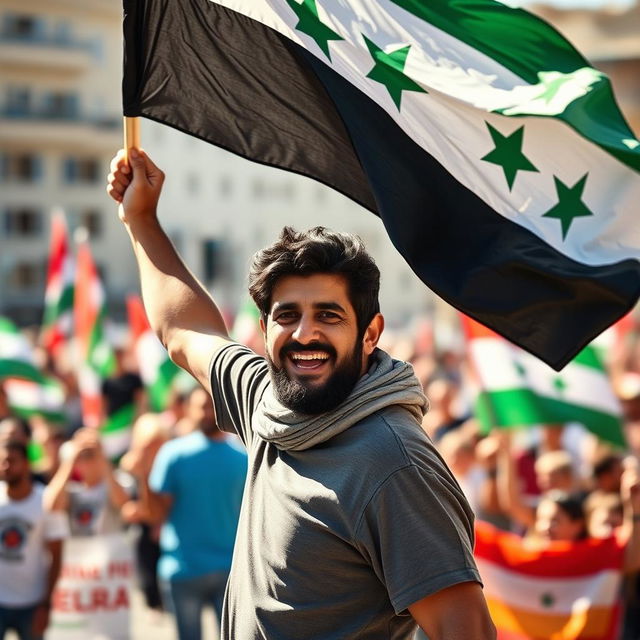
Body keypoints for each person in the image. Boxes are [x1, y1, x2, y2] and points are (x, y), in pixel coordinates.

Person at [107, 148, 495, 639]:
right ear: (265, 328)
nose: (305, 333)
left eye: (329, 316)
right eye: (287, 315)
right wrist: (140, 220)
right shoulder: (265, 401)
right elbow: (183, 331)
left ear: (370, 333)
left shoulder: (394, 462)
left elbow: (467, 631)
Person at [128, 388, 247, 640]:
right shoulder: (175, 454)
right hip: (186, 568)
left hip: (227, 570)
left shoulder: (243, 457)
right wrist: (143, 476)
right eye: (201, 406)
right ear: (189, 410)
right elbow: (156, 515)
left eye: (211, 406)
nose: (206, 412)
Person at [0, 441, 68, 640]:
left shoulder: (47, 500)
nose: (5, 466)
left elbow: (56, 555)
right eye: (2, 461)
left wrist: (46, 604)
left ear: (27, 464)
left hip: (32, 603)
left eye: (11, 461)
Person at [43, 427, 129, 536]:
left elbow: (123, 504)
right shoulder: (70, 490)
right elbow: (51, 507)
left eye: (90, 454)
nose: (85, 461)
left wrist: (102, 457)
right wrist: (70, 459)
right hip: (78, 552)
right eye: (81, 456)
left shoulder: (119, 482)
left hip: (111, 551)